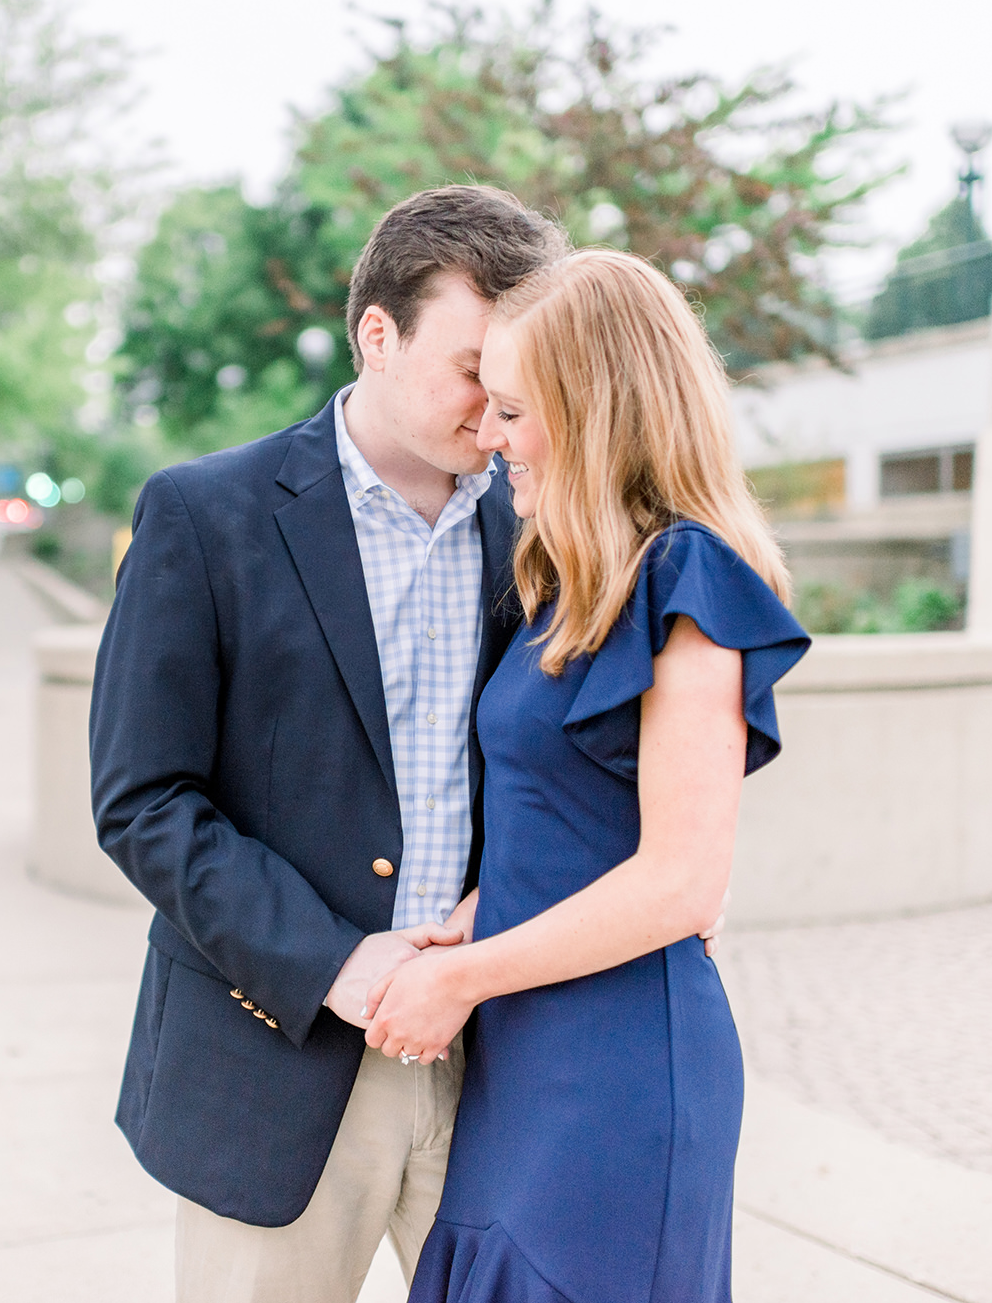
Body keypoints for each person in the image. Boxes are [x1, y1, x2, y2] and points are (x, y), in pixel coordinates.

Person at [91, 185, 569, 1302]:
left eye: (522, 379)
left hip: (499, 1061)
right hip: (274, 1065)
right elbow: (143, 801)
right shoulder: (204, 516)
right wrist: (342, 966)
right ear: (377, 332)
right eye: (474, 367)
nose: (499, 405)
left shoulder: (542, 528)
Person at [362, 249, 812, 1303]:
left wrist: (457, 979)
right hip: (524, 1053)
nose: (491, 434)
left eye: (516, 409)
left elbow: (681, 882)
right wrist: (481, 908)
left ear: (596, 408)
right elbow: (571, 811)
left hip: (619, 1066)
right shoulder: (564, 578)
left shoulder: (689, 577)